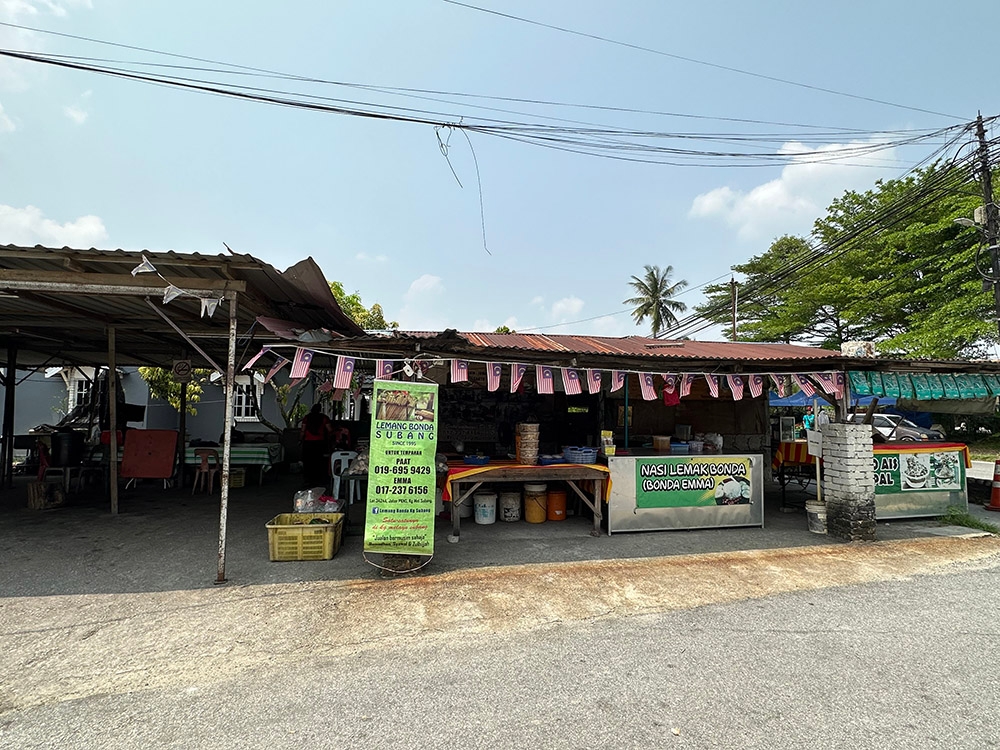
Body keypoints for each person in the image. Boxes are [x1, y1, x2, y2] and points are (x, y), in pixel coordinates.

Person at [300, 404, 332, 487]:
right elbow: (329, 430)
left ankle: (308, 479)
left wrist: (300, 439)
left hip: (307, 442)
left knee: (308, 462)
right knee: (319, 461)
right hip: (319, 442)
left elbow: (303, 430)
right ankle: (318, 479)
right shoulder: (324, 418)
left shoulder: (307, 418)